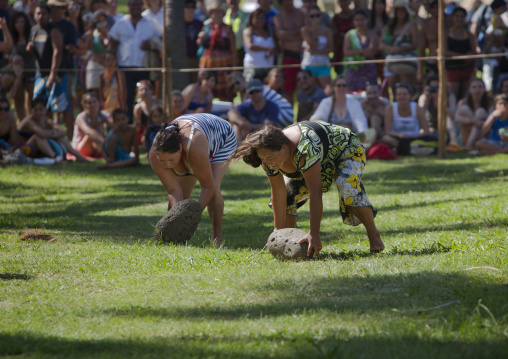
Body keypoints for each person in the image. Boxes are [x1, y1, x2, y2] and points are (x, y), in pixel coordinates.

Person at [227, 121, 385, 256]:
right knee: (289, 195)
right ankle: (288, 240)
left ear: (284, 148)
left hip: (346, 149)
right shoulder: (268, 157)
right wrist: (277, 233)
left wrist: (314, 234)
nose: (268, 163)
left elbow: (316, 192)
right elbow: (278, 192)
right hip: (318, 156)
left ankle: (374, 235)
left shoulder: (304, 148)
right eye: (263, 159)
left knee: (347, 188)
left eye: (270, 158)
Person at [149, 113, 237, 246]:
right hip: (195, 135)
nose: (168, 165)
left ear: (180, 148)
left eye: (172, 159)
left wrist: (191, 216)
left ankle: (216, 237)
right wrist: (176, 218)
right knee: (180, 199)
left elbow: (208, 186)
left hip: (221, 136)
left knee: (214, 187)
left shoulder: (194, 147)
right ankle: (170, 240)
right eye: (163, 161)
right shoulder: (155, 155)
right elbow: (173, 190)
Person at [108, 0, 160, 120]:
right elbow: (112, 42)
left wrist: (151, 45)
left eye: (138, 5)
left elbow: (160, 41)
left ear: (142, 7)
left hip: (145, 68)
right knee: (126, 99)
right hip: (125, 67)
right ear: (128, 7)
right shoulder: (120, 23)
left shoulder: (151, 23)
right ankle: (129, 124)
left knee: (146, 98)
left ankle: (145, 126)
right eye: (133, 5)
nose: (135, 7)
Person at [18, 98, 87, 161]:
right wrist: (53, 133)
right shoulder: (28, 121)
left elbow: (62, 131)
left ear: (45, 110)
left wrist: (52, 134)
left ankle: (77, 155)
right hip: (23, 149)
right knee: (38, 136)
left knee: (60, 137)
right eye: (35, 110)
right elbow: (41, 133)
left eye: (41, 110)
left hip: (38, 150)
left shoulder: (46, 120)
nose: (38, 113)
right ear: (31, 110)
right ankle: (55, 157)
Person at [197, 4, 236, 101]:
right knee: (208, 85)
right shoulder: (206, 28)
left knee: (225, 87)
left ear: (222, 14)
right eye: (214, 13)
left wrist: (234, 67)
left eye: (219, 13)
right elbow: (199, 43)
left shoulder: (227, 29)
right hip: (209, 62)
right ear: (210, 15)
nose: (216, 15)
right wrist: (200, 38)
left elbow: (233, 48)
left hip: (223, 63)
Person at [228, 71, 294, 127]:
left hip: (285, 114)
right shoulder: (253, 89)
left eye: (237, 83)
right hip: (287, 115)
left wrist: (249, 125)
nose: (236, 86)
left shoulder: (253, 89)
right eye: (232, 86)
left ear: (244, 79)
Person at [379, 0, 418, 95]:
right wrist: (391, 49)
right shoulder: (389, 27)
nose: (401, 12)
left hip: (407, 62)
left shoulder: (412, 25)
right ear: (395, 12)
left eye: (403, 10)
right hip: (392, 62)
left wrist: (402, 50)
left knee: (406, 91)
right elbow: (381, 45)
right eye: (398, 10)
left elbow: (416, 44)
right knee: (395, 91)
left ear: (407, 11)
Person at [382, 82, 432, 155]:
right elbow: (387, 131)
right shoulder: (390, 108)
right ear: (395, 96)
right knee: (386, 138)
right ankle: (410, 149)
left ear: (410, 95)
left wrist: (414, 136)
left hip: (414, 139)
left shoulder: (417, 108)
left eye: (404, 94)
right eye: (399, 94)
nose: (402, 97)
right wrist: (399, 135)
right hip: (398, 139)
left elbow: (426, 131)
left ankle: (403, 149)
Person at [273, 0, 306, 103]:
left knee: (307, 89)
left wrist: (289, 34)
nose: (288, 3)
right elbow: (281, 36)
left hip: (305, 56)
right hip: (289, 56)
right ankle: (290, 117)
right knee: (288, 90)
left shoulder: (302, 14)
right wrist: (299, 31)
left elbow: (307, 31)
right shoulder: (279, 17)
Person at [444, 6, 478, 101]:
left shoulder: (469, 34)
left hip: (467, 69)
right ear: (452, 17)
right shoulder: (446, 33)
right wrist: (463, 56)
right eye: (457, 16)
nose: (459, 19)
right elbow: (444, 51)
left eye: (462, 16)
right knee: (452, 98)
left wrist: (474, 70)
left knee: (465, 98)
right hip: (452, 70)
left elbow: (475, 54)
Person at [417, 75, 459, 147]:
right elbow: (420, 116)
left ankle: (453, 142)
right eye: (432, 88)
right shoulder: (424, 97)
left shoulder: (449, 96)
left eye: (437, 87)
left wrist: (440, 102)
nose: (435, 90)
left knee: (448, 119)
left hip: (447, 128)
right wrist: (426, 101)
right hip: (430, 128)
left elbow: (453, 115)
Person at [343, 9, 379, 92]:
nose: (360, 22)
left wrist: (355, 51)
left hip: (369, 70)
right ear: (353, 21)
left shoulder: (372, 34)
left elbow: (370, 52)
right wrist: (362, 51)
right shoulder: (349, 34)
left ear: (367, 20)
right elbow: (346, 52)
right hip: (353, 71)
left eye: (362, 20)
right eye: (357, 20)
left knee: (370, 93)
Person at [301, 5, 333, 95]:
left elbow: (330, 49)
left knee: (328, 91)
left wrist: (314, 52)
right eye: (312, 16)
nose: (315, 18)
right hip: (308, 64)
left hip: (323, 64)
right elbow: (313, 44)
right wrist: (315, 29)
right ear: (308, 18)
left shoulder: (327, 31)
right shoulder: (305, 30)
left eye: (317, 15)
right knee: (312, 93)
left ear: (321, 16)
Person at [455, 77, 493, 150]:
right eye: (474, 87)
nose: (477, 90)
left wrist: (480, 120)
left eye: (480, 87)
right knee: (464, 109)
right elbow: (457, 118)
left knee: (480, 111)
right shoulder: (462, 102)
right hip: (465, 135)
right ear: (469, 89)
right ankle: (468, 145)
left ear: (484, 89)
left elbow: (492, 119)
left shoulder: (490, 102)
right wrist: (473, 121)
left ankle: (469, 146)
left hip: (483, 135)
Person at [10, 11, 34, 123]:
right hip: (18, 75)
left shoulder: (32, 36)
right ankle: (21, 124)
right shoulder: (12, 39)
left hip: (31, 73)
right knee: (18, 101)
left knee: (32, 101)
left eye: (22, 22)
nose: (20, 24)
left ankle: (32, 123)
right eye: (17, 22)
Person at [242, 8, 279, 82]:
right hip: (252, 68)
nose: (259, 20)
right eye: (257, 18)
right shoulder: (248, 31)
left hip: (268, 69)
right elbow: (250, 46)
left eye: (262, 18)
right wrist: (268, 49)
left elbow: (278, 49)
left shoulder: (270, 32)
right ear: (251, 19)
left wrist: (271, 52)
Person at [72, 91, 112, 158]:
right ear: (84, 105)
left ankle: (112, 153)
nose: (93, 105)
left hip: (96, 145)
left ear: (99, 103)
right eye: (90, 103)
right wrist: (105, 142)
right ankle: (110, 151)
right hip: (80, 148)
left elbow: (114, 126)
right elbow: (89, 132)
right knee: (90, 135)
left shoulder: (102, 114)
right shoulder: (81, 117)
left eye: (94, 102)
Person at [133, 80, 162, 145]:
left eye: (146, 89)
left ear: (152, 91)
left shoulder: (159, 103)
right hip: (146, 134)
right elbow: (138, 127)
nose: (144, 92)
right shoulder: (138, 108)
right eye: (141, 90)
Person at [417, 0, 439, 83]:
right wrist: (419, 71)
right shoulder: (426, 25)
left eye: (438, 8)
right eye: (433, 8)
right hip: (432, 62)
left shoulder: (449, 22)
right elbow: (422, 49)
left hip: (448, 63)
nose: (436, 10)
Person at [330, 0, 355, 75]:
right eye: (341, 1)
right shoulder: (335, 19)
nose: (343, 3)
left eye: (345, 1)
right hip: (341, 55)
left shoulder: (356, 15)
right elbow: (335, 40)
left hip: (357, 53)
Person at [99, 50, 127, 115]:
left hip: (118, 101)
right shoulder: (102, 74)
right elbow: (100, 89)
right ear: (104, 62)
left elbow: (124, 89)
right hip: (107, 100)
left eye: (112, 60)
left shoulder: (119, 74)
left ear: (116, 61)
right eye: (108, 60)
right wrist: (100, 100)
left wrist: (124, 102)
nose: (110, 62)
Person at [224, 0, 249, 66]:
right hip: (227, 52)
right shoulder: (223, 17)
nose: (233, 1)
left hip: (242, 51)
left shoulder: (246, 16)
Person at [184, 0, 203, 84]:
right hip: (183, 59)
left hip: (196, 59)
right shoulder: (179, 23)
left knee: (196, 83)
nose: (190, 9)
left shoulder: (199, 23)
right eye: (187, 7)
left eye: (192, 7)